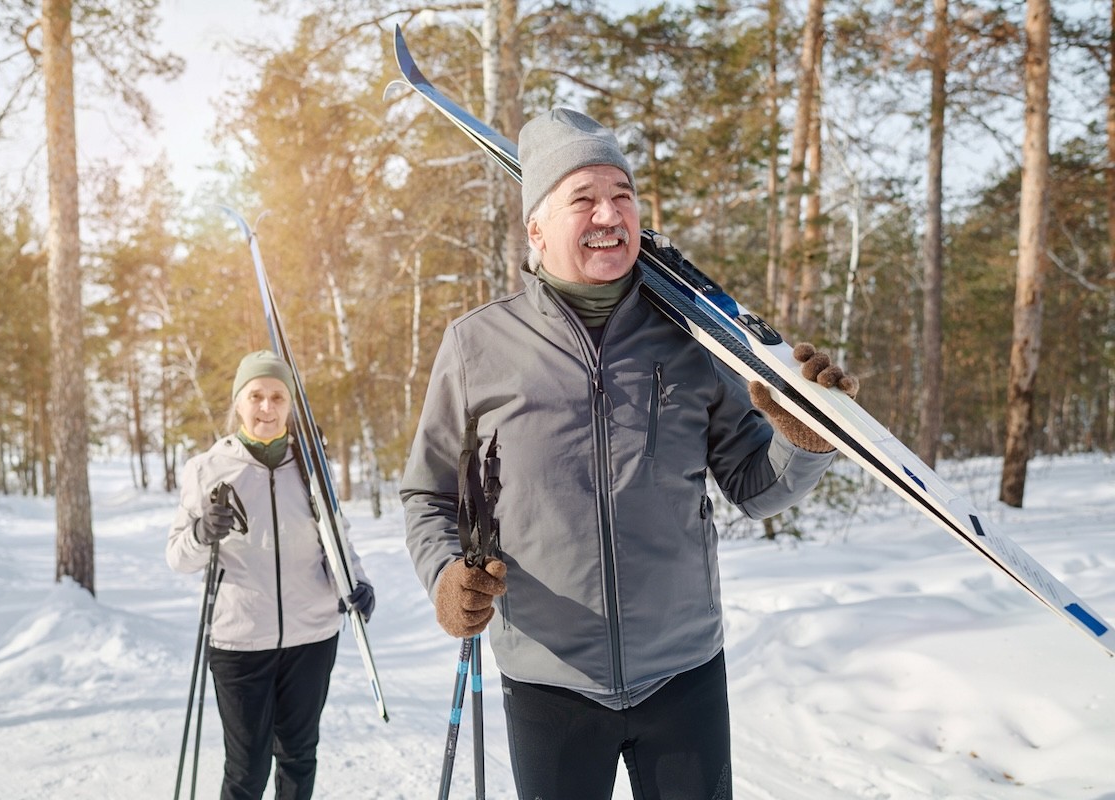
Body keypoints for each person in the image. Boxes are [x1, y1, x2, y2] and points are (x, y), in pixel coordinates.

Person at [400, 108, 859, 800]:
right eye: (582, 199)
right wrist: (443, 577)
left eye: (623, 195)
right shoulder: (477, 347)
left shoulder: (692, 339)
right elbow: (428, 495)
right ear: (537, 229)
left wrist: (805, 443)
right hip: (549, 680)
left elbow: (754, 487)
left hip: (684, 673)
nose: (609, 213)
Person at [167, 350, 375, 800]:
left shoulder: (311, 467)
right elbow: (178, 558)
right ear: (239, 403)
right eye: (256, 396)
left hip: (313, 635)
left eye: (277, 396)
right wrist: (203, 532)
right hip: (241, 643)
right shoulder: (207, 470)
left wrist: (357, 583)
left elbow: (337, 537)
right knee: (246, 769)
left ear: (289, 405)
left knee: (300, 756)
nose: (267, 407)